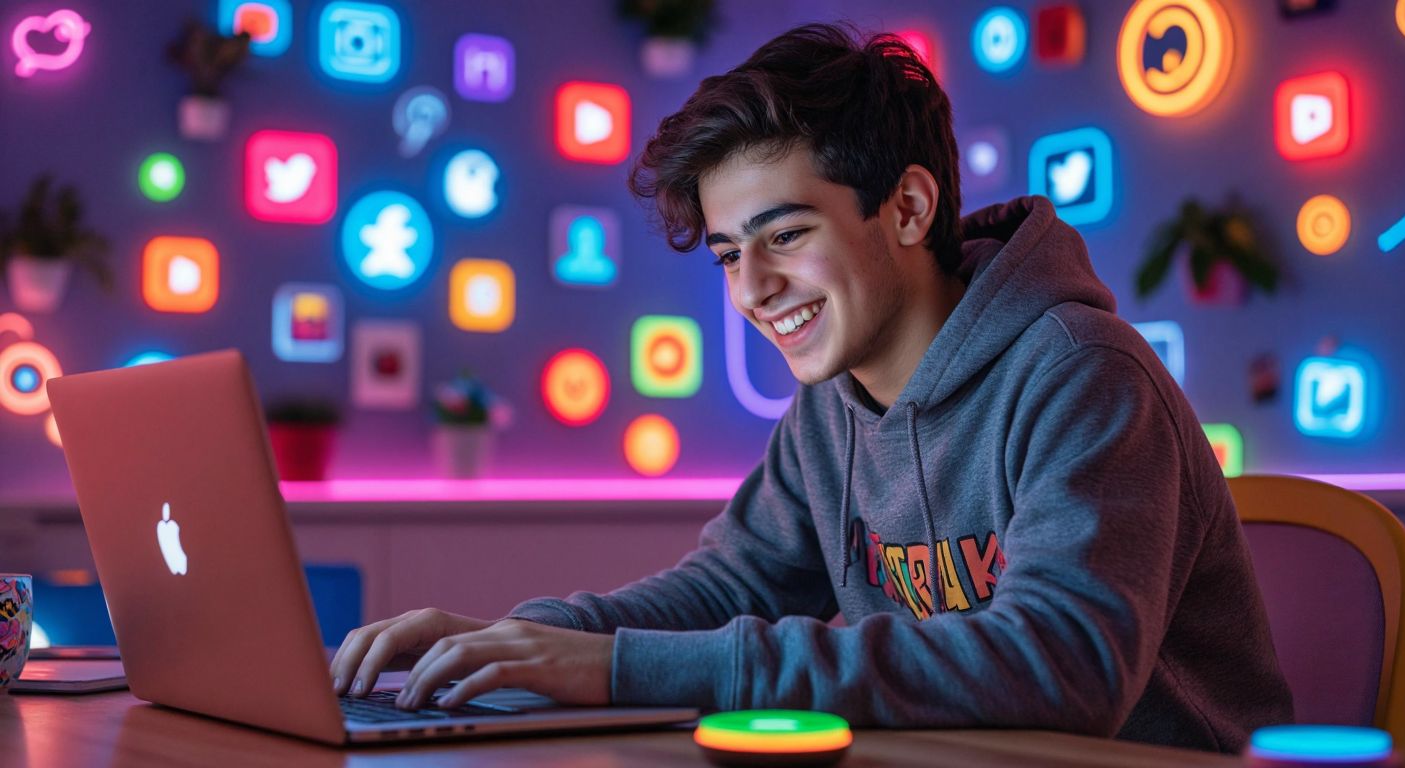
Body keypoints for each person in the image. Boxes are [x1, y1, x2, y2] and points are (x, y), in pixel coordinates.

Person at [330, 22, 1293, 752]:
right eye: (728, 253)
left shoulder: (1083, 375)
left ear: (907, 207)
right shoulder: (832, 408)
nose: (750, 290)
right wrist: (524, 641)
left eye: (785, 235)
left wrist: (616, 668)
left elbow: (1062, 666)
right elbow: (730, 587)